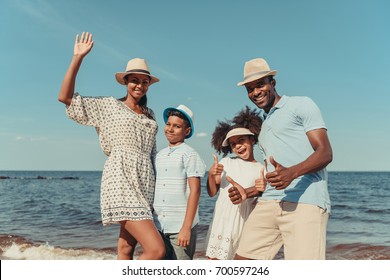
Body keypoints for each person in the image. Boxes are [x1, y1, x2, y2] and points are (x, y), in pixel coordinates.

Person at [58, 32, 165, 260]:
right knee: (156, 250)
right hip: (121, 180)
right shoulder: (108, 106)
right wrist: (78, 57)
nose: (139, 85)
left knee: (125, 250)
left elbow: (152, 156)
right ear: (126, 82)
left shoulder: (151, 115)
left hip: (144, 183)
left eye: (144, 81)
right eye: (134, 80)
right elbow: (65, 97)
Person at [228, 58, 333, 260]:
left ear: (273, 82)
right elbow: (274, 174)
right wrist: (248, 192)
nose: (255, 92)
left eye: (260, 84)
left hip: (305, 202)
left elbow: (325, 152)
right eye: (250, 89)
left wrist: (292, 173)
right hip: (268, 203)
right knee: (241, 262)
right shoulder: (265, 126)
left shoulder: (301, 104)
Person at [205, 107, 266, 260]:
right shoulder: (226, 163)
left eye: (241, 141)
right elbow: (212, 192)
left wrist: (260, 190)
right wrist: (211, 176)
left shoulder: (261, 169)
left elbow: (261, 198)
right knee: (215, 260)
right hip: (223, 221)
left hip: (244, 221)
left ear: (252, 140)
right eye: (233, 144)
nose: (238, 146)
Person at [153, 105, 206, 260]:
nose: (170, 129)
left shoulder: (189, 154)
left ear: (187, 131)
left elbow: (195, 191)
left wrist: (186, 228)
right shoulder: (159, 155)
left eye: (177, 126)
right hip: (159, 225)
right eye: (168, 124)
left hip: (180, 226)